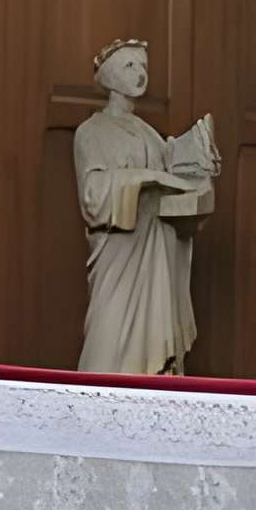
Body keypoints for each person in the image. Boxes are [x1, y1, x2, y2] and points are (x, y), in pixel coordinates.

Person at [73, 39, 219, 376]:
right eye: (130, 66)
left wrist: (199, 170)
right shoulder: (91, 132)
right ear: (109, 76)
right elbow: (93, 196)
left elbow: (178, 191)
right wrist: (144, 180)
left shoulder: (154, 138)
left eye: (144, 67)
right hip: (120, 255)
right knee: (106, 350)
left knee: (154, 347)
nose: (140, 74)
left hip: (157, 256)